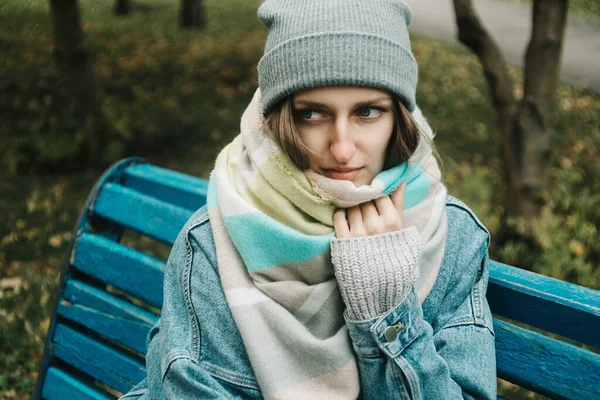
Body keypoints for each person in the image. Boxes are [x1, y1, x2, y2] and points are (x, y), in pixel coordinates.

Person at [120, 0, 496, 398]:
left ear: (399, 116)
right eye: (312, 114)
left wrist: (384, 308)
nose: (342, 149)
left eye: (367, 111)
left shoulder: (453, 238)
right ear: (280, 118)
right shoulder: (216, 244)